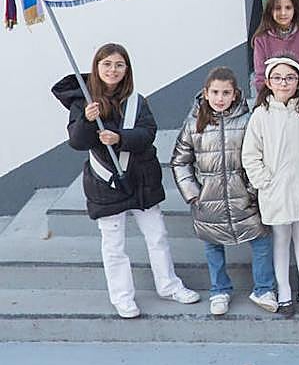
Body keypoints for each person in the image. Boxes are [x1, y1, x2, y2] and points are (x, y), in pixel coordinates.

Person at [56, 45, 200, 319]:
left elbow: (148, 133)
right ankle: (122, 297)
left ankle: (168, 285)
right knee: (114, 244)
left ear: (127, 69)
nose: (112, 70)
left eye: (119, 65)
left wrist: (120, 138)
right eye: (107, 64)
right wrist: (87, 121)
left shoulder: (137, 100)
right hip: (106, 183)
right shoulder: (83, 103)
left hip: (141, 180)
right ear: (96, 67)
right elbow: (76, 141)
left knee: (157, 236)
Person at [171, 68, 277, 316]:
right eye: (215, 92)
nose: (220, 98)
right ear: (205, 94)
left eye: (226, 93)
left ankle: (263, 288)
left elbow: (261, 154)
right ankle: (219, 290)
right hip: (208, 199)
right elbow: (180, 161)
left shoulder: (248, 120)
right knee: (213, 246)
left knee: (261, 241)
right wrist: (193, 193)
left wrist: (253, 189)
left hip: (244, 196)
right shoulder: (193, 124)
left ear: (235, 94)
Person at [241, 55, 299, 318]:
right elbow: (250, 153)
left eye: (289, 77)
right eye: (277, 78)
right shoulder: (261, 115)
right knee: (281, 239)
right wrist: (264, 181)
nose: (283, 83)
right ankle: (284, 292)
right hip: (274, 189)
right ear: (268, 82)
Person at [253, 0, 299, 92]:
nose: (283, 13)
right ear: (270, 10)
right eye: (278, 8)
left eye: (288, 8)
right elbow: (260, 76)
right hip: (271, 98)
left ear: (295, 9)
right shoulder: (261, 39)